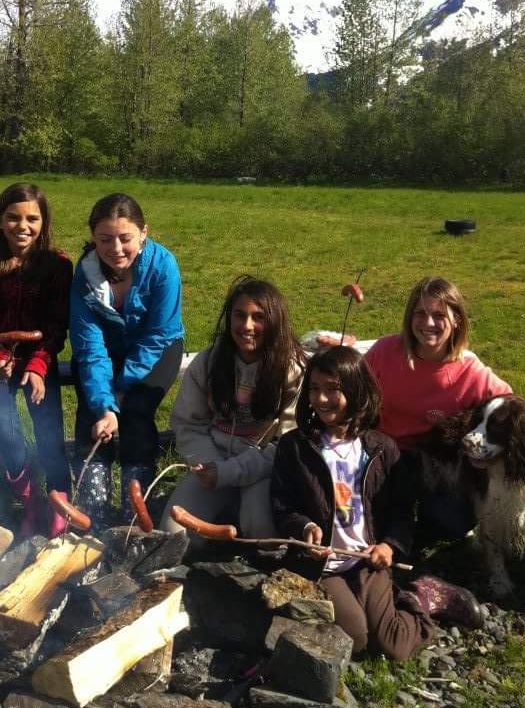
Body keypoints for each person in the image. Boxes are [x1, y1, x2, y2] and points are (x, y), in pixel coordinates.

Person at [271, 345, 482, 660]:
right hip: (323, 566)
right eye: (314, 389)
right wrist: (306, 528)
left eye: (333, 390)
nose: (321, 398)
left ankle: (420, 597)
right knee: (354, 639)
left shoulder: (382, 449)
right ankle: (364, 606)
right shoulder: (295, 447)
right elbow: (282, 504)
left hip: (367, 560)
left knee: (393, 646)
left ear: (357, 392)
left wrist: (389, 546)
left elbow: (402, 510)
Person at [0, 182, 72, 538]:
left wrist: (38, 366)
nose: (23, 227)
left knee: (49, 433)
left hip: (40, 361)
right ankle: (30, 502)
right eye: (13, 218)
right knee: (7, 433)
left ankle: (58, 503)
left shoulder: (57, 265)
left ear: (43, 221)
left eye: (32, 219)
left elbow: (57, 326)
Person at [365, 276, 512, 539]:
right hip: (381, 452)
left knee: (453, 522)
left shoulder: (471, 371)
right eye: (420, 313)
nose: (428, 323)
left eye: (439, 315)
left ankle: (416, 527)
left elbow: (509, 406)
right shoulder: (385, 350)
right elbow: (353, 392)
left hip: (437, 459)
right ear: (410, 318)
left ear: (457, 320)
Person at [161, 276, 305, 542]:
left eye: (258, 317)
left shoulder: (293, 370)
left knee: (261, 531)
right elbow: (187, 423)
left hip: (261, 471)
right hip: (212, 465)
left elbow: (286, 444)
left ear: (274, 321)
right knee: (173, 535)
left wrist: (232, 472)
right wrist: (211, 466)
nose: (247, 326)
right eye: (239, 315)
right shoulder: (208, 362)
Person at [69, 193, 184, 529]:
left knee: (136, 411)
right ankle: (97, 517)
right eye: (105, 239)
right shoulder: (85, 274)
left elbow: (156, 337)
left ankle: (138, 515)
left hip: (158, 347)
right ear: (93, 238)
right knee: (92, 417)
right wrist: (105, 406)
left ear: (143, 234)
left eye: (125, 238)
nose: (116, 248)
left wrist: (119, 396)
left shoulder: (163, 266)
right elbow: (89, 346)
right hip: (105, 348)